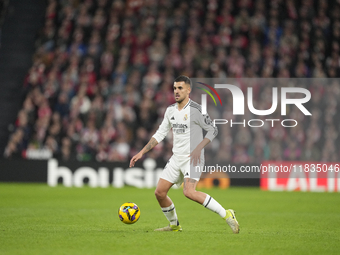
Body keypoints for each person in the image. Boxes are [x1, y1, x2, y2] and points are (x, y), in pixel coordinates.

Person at [129, 75, 239, 233]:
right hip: (176, 158)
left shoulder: (196, 110)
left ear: (189, 90)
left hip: (193, 158)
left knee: (189, 191)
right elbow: (160, 133)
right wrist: (142, 152)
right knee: (159, 193)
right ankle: (174, 225)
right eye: (174, 88)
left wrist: (199, 147)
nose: (176, 91)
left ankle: (227, 214)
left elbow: (213, 129)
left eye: (180, 88)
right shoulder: (170, 111)